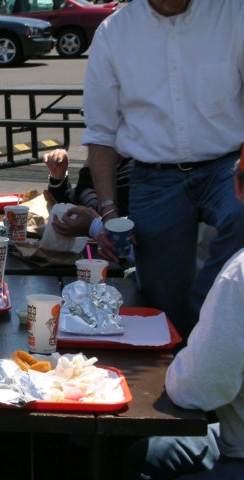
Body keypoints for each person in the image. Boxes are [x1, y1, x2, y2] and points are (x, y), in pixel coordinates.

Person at [81, 0, 244, 341]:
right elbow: (101, 133)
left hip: (226, 164)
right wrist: (109, 212)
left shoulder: (232, 13)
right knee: (162, 297)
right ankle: (184, 353)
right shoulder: (114, 33)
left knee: (241, 214)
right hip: (154, 175)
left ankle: (206, 324)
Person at [122, 155, 244, 479]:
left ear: (236, 186)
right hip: (232, 437)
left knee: (139, 461)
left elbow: (197, 389)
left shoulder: (239, 275)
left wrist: (181, 367)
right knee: (147, 455)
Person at [43, 148, 132, 238]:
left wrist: (88, 169)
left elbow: (89, 210)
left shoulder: (131, 171)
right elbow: (72, 207)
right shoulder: (111, 163)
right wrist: (58, 177)